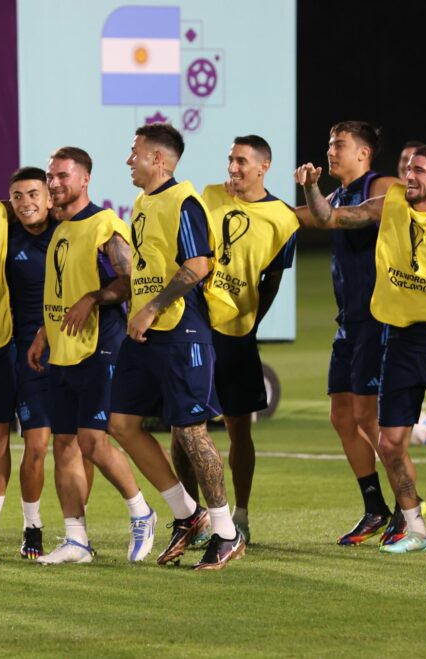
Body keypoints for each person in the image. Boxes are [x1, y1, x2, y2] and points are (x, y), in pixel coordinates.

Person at [297, 145, 426, 553]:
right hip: (399, 341)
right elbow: (328, 217)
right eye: (408, 168)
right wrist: (312, 188)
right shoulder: (388, 204)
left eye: (420, 170)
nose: (410, 175)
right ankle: (416, 529)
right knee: (390, 442)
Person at [108, 122, 245, 570]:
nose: (129, 159)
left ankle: (227, 532)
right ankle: (188, 514)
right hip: (145, 334)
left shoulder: (183, 201)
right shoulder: (143, 203)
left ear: (158, 159)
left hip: (182, 331)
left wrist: (151, 308)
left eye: (135, 152)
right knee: (122, 424)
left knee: (190, 432)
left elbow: (198, 265)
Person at [26, 147, 156, 564]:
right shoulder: (60, 229)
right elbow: (63, 290)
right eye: (51, 176)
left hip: (100, 346)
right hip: (62, 349)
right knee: (64, 444)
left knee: (93, 442)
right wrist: (44, 333)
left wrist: (94, 298)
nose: (54, 183)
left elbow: (130, 280)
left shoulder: (105, 224)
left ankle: (142, 512)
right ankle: (76, 540)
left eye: (63, 176)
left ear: (85, 180)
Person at [170, 134, 297, 543]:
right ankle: (193, 516)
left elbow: (272, 278)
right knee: (184, 425)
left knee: (239, 428)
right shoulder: (208, 196)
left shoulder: (283, 219)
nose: (233, 167)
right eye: (231, 160)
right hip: (196, 325)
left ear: (264, 166)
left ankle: (240, 514)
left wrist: (252, 321)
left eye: (242, 161)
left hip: (237, 335)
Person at [302, 121, 402, 546]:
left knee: (368, 416)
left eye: (339, 145)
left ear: (364, 153)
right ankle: (375, 508)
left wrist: (309, 189)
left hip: (377, 319)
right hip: (349, 322)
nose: (330, 151)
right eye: (329, 144)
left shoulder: (382, 186)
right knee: (342, 416)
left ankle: (408, 508)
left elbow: (325, 219)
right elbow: (309, 216)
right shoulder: (339, 194)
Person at [5, 166, 58, 559]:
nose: (26, 203)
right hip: (29, 356)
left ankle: (78, 526)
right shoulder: (7, 235)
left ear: (50, 197)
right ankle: (32, 526)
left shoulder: (70, 231)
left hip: (75, 352)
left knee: (79, 445)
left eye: (33, 194)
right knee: (36, 444)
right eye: (18, 196)